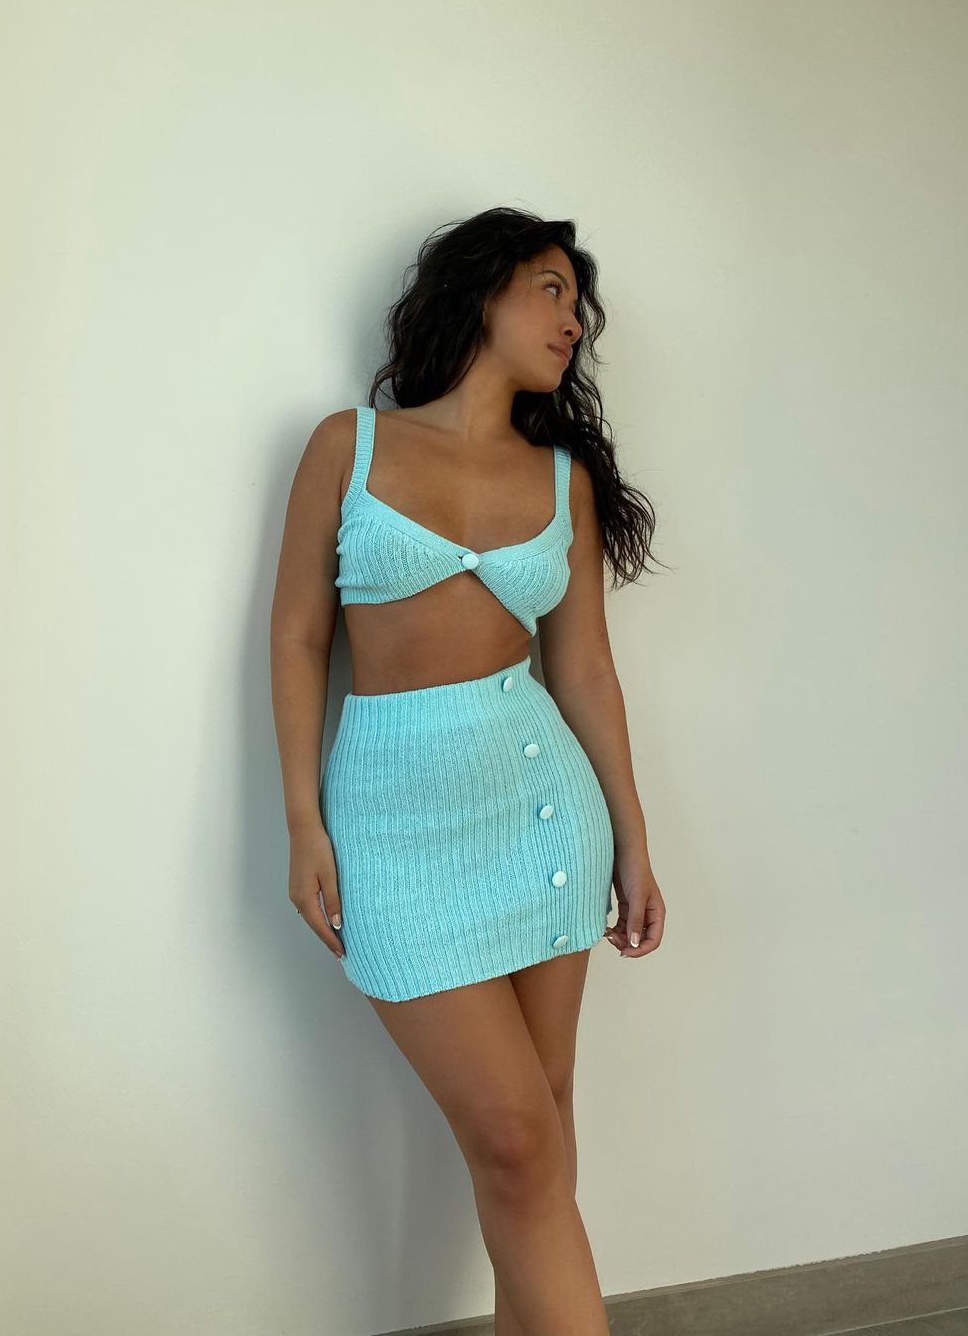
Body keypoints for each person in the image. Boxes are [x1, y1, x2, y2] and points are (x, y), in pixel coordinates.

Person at [270, 206, 666, 1334]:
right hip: (394, 826)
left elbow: (583, 670)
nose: (573, 321)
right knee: (517, 1139)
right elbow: (298, 636)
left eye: (579, 304)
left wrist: (635, 841)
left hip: (541, 814)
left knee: (537, 1135)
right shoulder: (347, 447)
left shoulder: (561, 479)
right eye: (550, 289)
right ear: (480, 292)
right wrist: (302, 823)